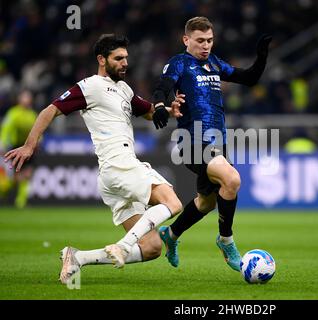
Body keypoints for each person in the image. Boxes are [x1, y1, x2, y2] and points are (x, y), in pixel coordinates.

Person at [4, 34, 186, 284]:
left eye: (126, 58)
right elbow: (51, 110)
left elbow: (148, 112)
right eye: (118, 58)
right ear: (102, 59)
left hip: (113, 175)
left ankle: (78, 258)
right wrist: (29, 145)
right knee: (173, 203)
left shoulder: (124, 89)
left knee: (152, 247)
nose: (125, 63)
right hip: (119, 165)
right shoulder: (89, 86)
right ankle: (122, 246)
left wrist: (168, 110)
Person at [151, 17, 271, 271]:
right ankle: (226, 241)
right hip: (192, 141)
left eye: (209, 40)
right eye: (200, 41)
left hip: (218, 144)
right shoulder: (180, 63)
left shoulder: (214, 62)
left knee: (206, 203)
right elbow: (163, 87)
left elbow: (249, 78)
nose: (206, 46)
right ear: (186, 40)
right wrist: (160, 106)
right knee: (233, 179)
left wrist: (261, 56)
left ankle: (170, 234)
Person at [0, 90, 37, 208]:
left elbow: (37, 130)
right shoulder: (13, 113)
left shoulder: (32, 115)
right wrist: (3, 143)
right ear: (19, 99)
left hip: (29, 147)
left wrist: (38, 141)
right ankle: (3, 190)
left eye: (28, 97)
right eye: (24, 97)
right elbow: (6, 128)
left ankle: (21, 202)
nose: (26, 99)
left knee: (27, 174)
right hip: (16, 146)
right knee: (16, 177)